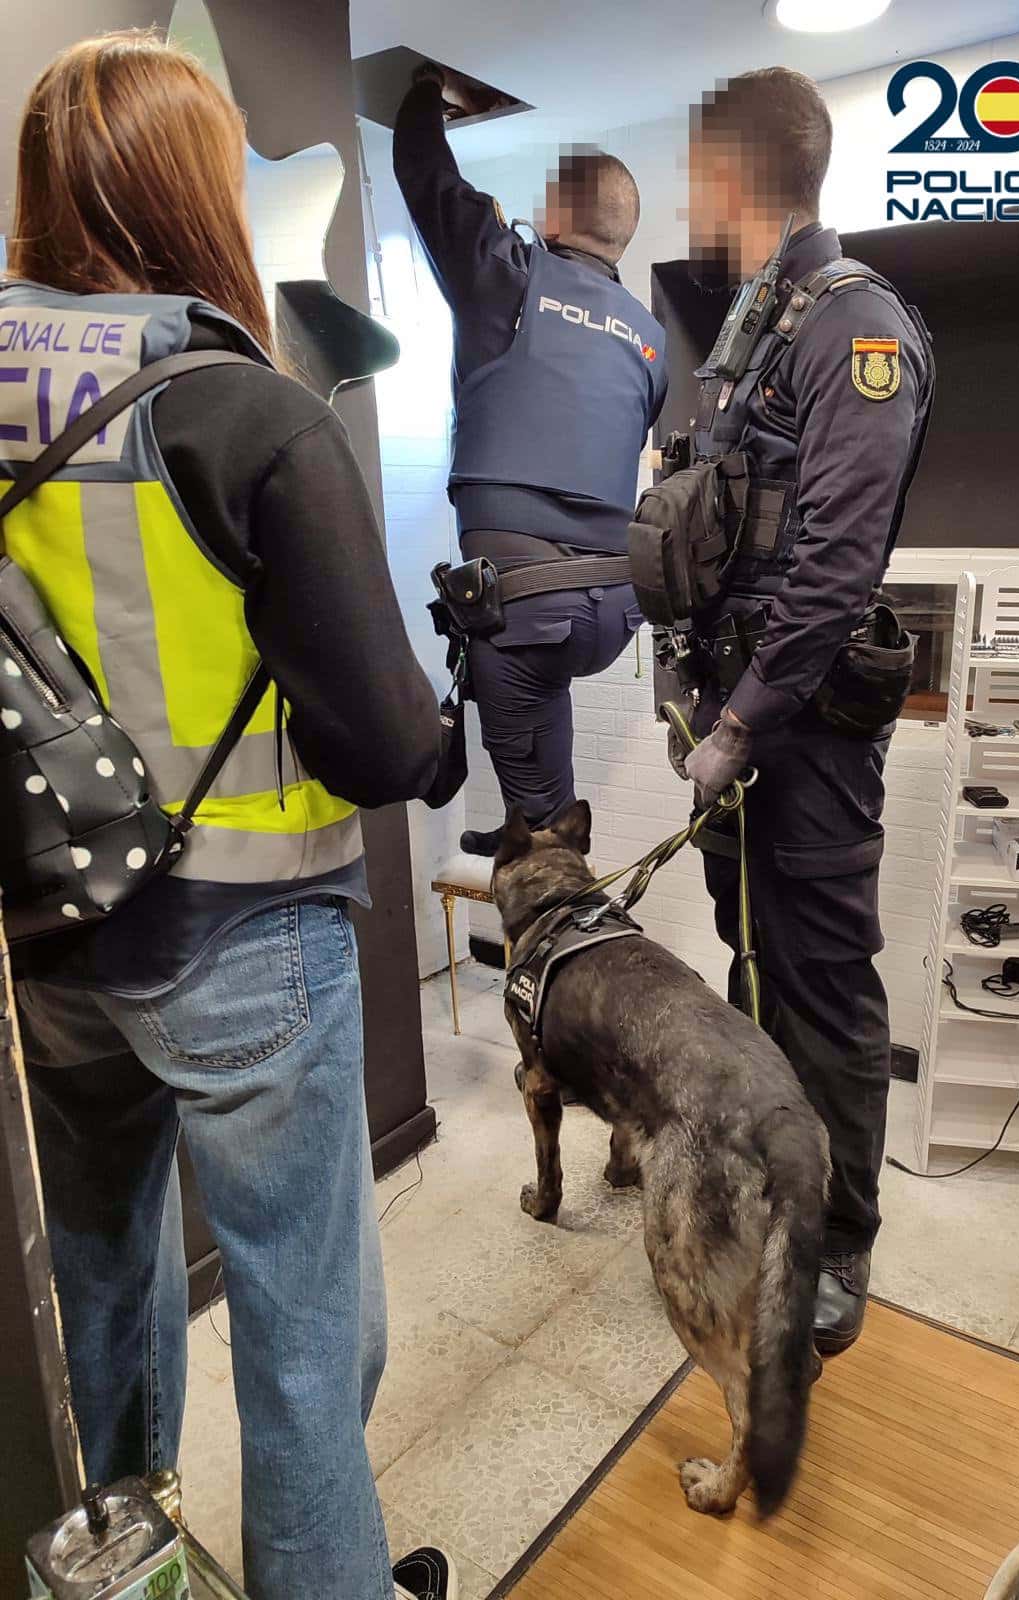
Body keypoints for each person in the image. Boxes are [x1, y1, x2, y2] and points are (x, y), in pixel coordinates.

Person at [2, 34, 449, 1600]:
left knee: (104, 1305)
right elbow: (385, 740)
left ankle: (127, 1575)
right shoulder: (242, 410)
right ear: (191, 188)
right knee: (308, 1344)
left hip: (46, 942)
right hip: (242, 943)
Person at [675, 67, 935, 1355]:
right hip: (733, 712)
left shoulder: (854, 324)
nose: (691, 205)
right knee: (754, 962)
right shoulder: (756, 325)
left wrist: (743, 721)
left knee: (824, 984)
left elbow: (833, 563)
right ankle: (776, 1194)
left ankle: (839, 1240)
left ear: (738, 175)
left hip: (805, 730)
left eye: (698, 178)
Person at [394, 68, 668, 855]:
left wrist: (425, 89)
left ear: (554, 214)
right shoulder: (651, 337)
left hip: (522, 605)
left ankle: (540, 852)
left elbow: (423, 171)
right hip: (615, 607)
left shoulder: (511, 277)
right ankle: (542, 819)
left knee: (540, 846)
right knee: (547, 716)